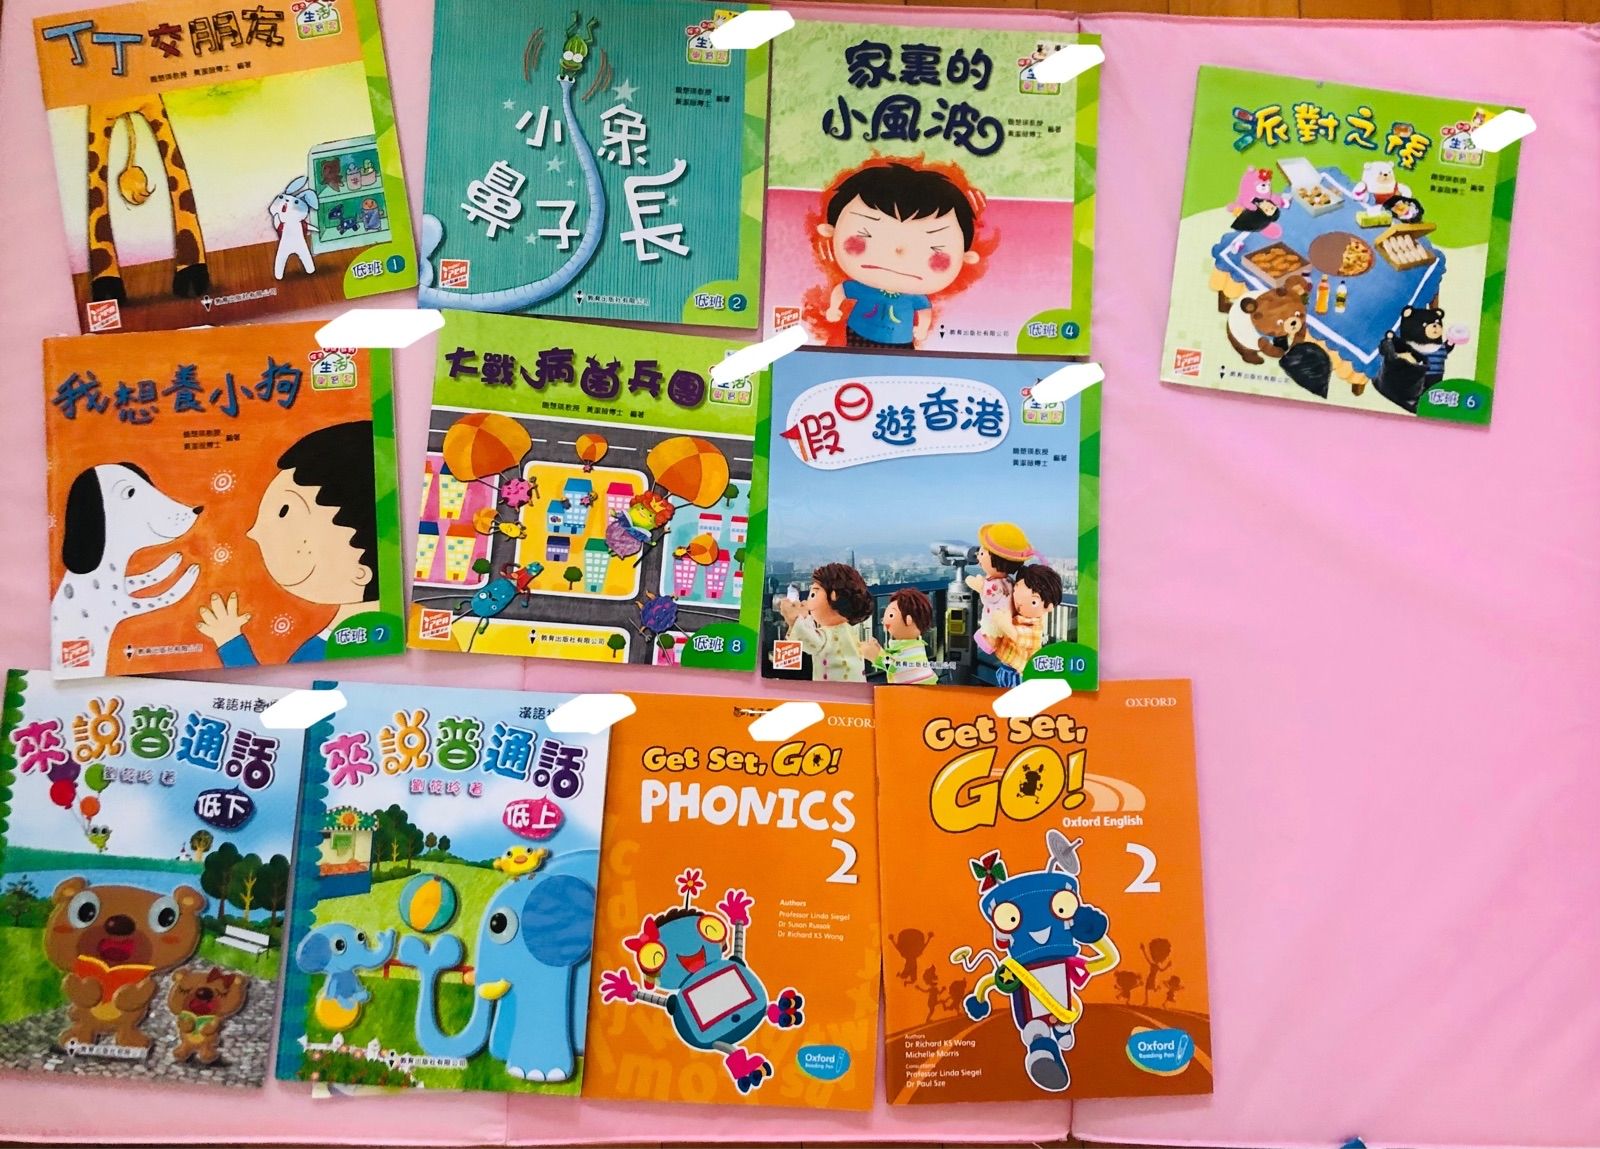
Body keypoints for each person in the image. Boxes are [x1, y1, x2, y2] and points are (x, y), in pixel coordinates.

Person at [197, 421, 379, 665]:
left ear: (360, 571)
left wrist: (230, 642)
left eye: (284, 512)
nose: (254, 532)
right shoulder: (341, 640)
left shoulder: (345, 648)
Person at [817, 161, 983, 349]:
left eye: (935, 249)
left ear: (965, 257)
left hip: (900, 341)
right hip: (858, 332)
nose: (898, 250)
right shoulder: (864, 288)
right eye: (864, 235)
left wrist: (922, 329)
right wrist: (833, 308)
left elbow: (924, 311)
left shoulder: (914, 297)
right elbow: (842, 291)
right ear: (830, 231)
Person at [776, 562, 873, 682]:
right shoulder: (848, 630)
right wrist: (804, 617)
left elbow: (808, 640)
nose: (807, 601)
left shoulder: (828, 636)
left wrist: (793, 618)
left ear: (834, 596)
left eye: (813, 594)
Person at [965, 523, 1033, 656]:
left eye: (982, 553)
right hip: (1007, 619)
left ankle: (990, 644)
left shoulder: (994, 585)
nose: (978, 556)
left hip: (995, 621)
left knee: (991, 634)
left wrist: (977, 584)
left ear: (996, 560)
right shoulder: (1009, 581)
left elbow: (988, 594)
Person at [861, 588, 937, 685]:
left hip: (916, 693)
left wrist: (876, 656)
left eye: (891, 615)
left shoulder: (911, 649)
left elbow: (895, 666)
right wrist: (879, 651)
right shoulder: (915, 645)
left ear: (909, 620)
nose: (884, 621)